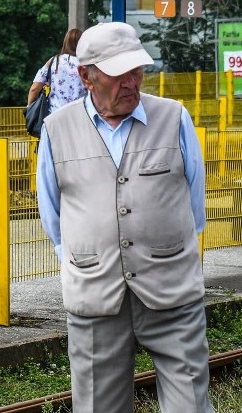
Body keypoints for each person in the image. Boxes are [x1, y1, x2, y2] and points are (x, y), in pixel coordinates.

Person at [36, 22, 212, 412]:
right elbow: (53, 217)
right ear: (86, 76)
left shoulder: (175, 118)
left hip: (171, 291)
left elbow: (194, 206)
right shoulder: (56, 130)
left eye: (137, 70)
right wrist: (84, 262)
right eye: (119, 74)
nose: (132, 82)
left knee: (190, 405)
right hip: (95, 297)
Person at [27, 28, 86, 113]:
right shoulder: (87, 64)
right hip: (80, 116)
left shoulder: (54, 62)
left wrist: (30, 109)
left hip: (55, 116)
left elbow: (34, 89)